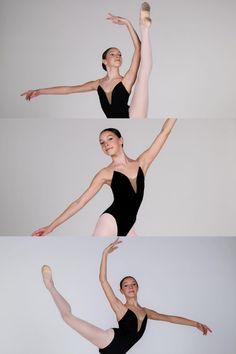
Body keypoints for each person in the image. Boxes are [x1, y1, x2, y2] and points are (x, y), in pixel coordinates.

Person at [41, 240, 212, 354]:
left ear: (138, 287)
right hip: (108, 340)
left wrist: (195, 323)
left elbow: (170, 318)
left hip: (120, 352)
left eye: (133, 284)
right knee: (67, 317)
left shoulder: (146, 312)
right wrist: (104, 254)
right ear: (121, 290)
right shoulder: (120, 307)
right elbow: (103, 280)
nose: (130, 287)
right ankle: (50, 286)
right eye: (126, 285)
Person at [32, 118, 177, 237]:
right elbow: (80, 202)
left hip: (129, 227)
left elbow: (164, 132)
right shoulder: (105, 173)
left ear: (121, 140)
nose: (106, 144)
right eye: (102, 143)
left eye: (109, 139)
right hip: (110, 222)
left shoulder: (142, 163)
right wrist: (51, 227)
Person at [21, 3, 152, 118]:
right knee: (143, 73)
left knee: (143, 73)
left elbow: (139, 49)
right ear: (104, 61)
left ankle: (144, 27)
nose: (118, 56)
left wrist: (128, 23)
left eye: (119, 54)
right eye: (113, 54)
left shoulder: (126, 80)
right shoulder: (97, 84)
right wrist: (39, 91)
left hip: (133, 114)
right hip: (118, 123)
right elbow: (69, 89)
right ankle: (143, 27)